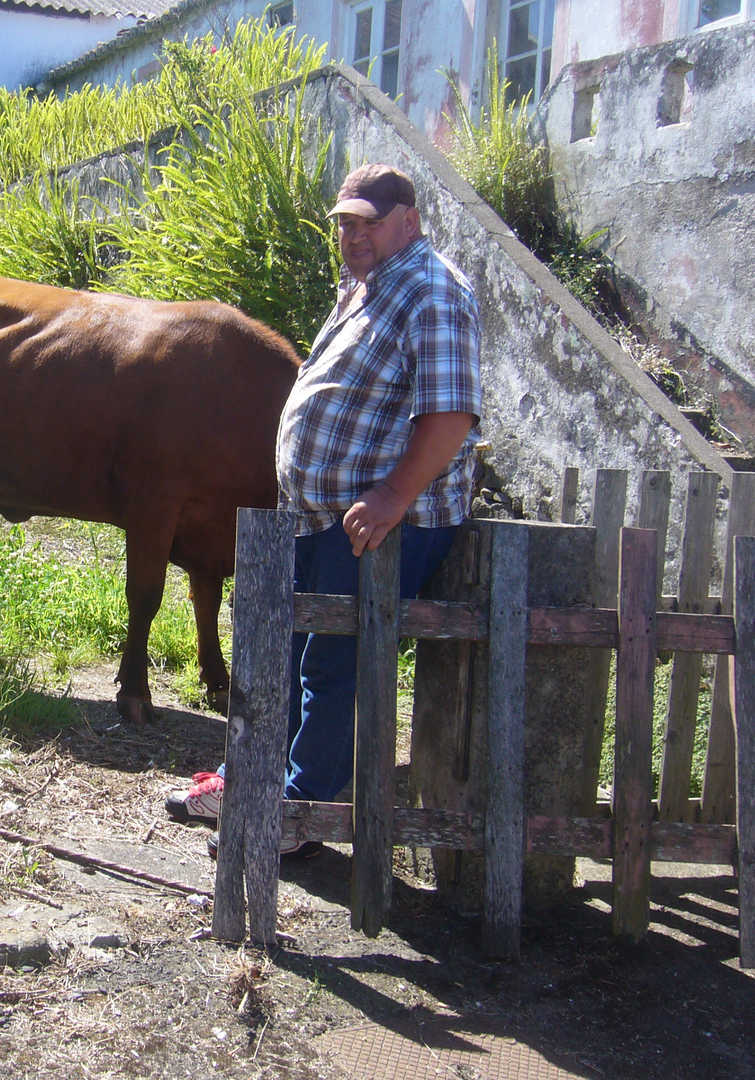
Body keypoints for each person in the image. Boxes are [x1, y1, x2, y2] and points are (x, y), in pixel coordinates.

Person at [165, 164, 483, 859]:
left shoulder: (433, 292)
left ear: (410, 220)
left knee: (330, 664)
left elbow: (452, 414)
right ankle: (249, 780)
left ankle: (298, 810)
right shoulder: (368, 288)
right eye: (344, 221)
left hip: (383, 520)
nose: (353, 232)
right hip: (321, 514)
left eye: (368, 219)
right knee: (283, 650)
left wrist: (394, 494)